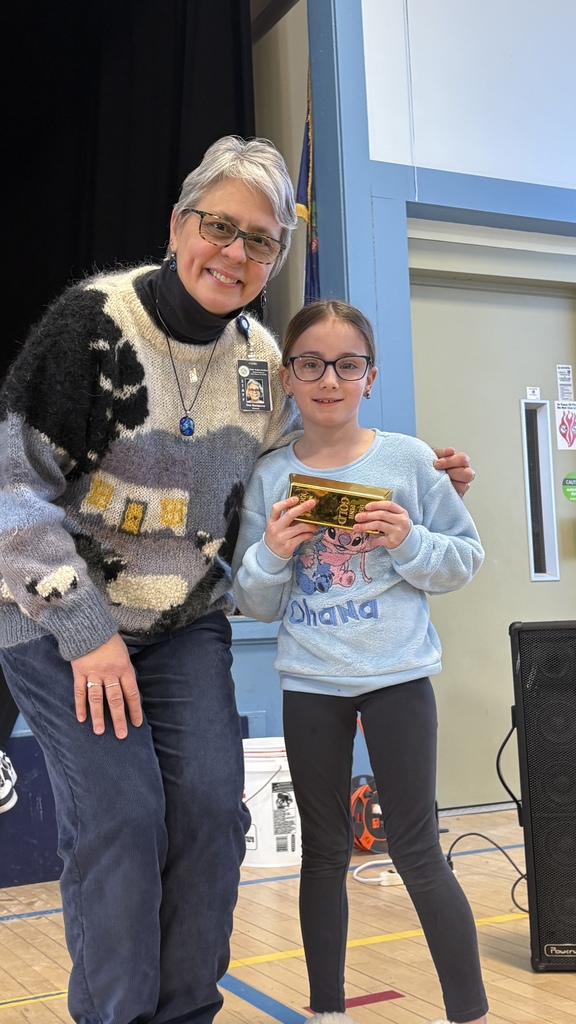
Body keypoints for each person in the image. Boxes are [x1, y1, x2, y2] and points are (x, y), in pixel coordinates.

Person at [0, 133, 474, 1024]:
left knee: (216, 819)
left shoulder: (263, 363)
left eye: (261, 240)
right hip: (61, 617)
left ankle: (184, 1013)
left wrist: (422, 475)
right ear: (179, 225)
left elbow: (316, 455)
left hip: (182, 623)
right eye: (220, 225)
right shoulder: (90, 324)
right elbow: (11, 494)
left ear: (275, 260)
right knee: (122, 819)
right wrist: (88, 634)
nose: (236, 250)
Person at [232, 300, 489, 1024]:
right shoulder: (270, 476)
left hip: (399, 680)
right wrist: (271, 552)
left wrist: (409, 540)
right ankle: (327, 1011)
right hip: (311, 683)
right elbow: (253, 602)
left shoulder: (408, 460)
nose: (329, 379)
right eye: (311, 364)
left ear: (369, 376)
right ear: (288, 376)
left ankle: (468, 1012)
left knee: (418, 849)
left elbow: (464, 559)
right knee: (323, 852)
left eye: (347, 365)